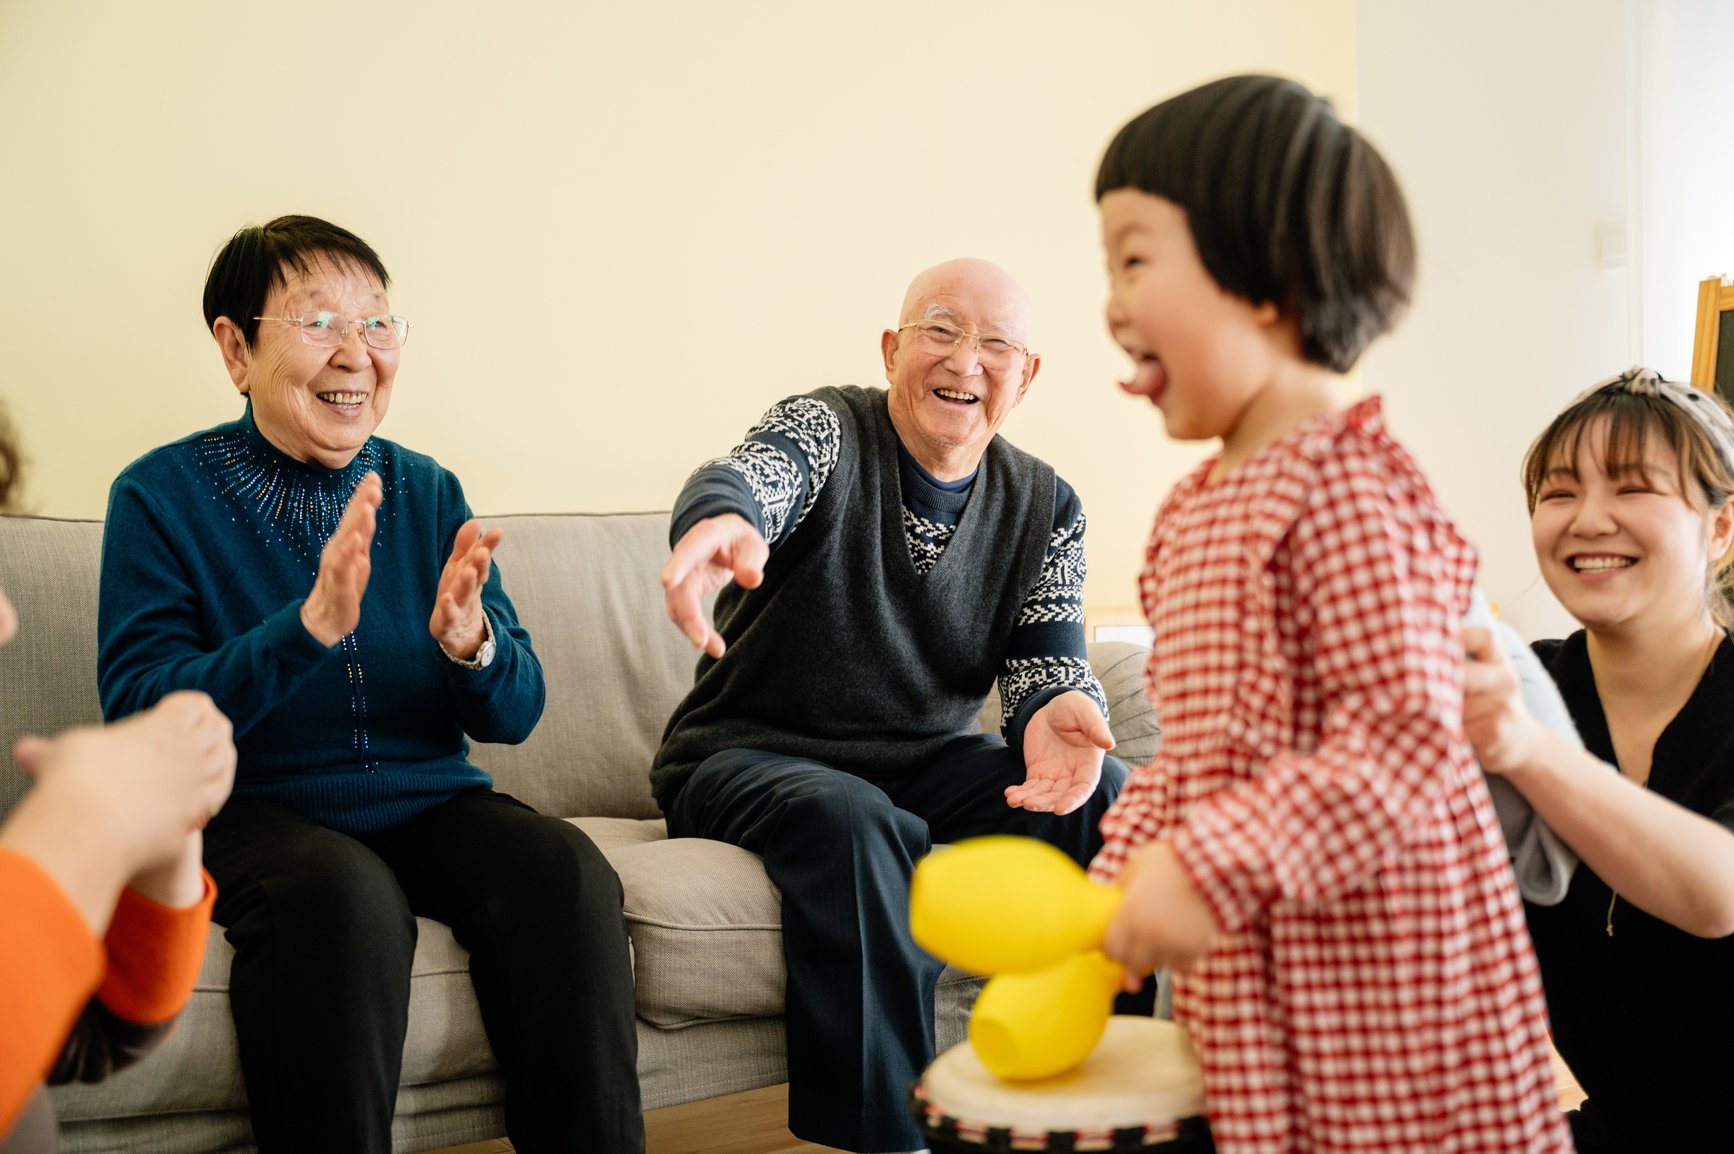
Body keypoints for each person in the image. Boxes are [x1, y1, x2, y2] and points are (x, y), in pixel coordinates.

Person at [1089, 75, 1570, 1153]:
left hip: (1387, 989)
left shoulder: (1348, 488)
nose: (1111, 304)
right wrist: (1117, 882)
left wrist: (1207, 866)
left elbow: (1404, 738)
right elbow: (1189, 756)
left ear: (1266, 274)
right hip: (1263, 979)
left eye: (1132, 258)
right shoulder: (1192, 512)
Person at [95, 216, 643, 1154]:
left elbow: (518, 712)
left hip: (427, 802)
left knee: (564, 872)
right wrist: (303, 632)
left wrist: (474, 646)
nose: (357, 354)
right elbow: (143, 711)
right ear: (236, 348)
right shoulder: (159, 495)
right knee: (342, 898)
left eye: (379, 325)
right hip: (246, 810)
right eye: (318, 322)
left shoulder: (428, 492)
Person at [655, 257, 1129, 1153]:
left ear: (1026, 377)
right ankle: (894, 1136)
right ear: (892, 349)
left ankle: (1102, 1105)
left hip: (924, 762)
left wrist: (1058, 706)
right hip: (746, 754)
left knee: (1116, 803)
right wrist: (723, 517)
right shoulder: (828, 427)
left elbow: (1044, 664)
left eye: (997, 344)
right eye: (940, 330)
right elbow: (755, 475)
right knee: (852, 815)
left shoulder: (1047, 503)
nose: (965, 361)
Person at [1463, 366, 1734, 1153]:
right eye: (1557, 493)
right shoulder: (1528, 683)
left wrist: (1526, 747)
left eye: (1632, 488)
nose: (1588, 519)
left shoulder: (1518, 718)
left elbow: (1717, 891)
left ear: (1720, 529)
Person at [0, 410, 235, 1151]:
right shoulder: (162, 494)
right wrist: (85, 824)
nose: (6, 620)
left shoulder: (424, 491)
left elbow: (88, 1037)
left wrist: (163, 857)